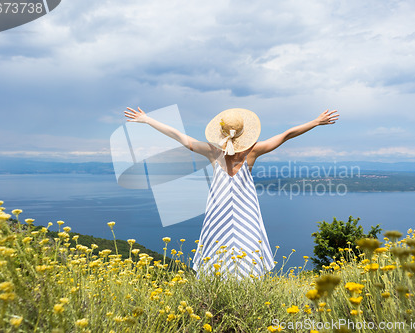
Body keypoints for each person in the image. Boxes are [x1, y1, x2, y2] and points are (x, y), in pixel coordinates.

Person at [124, 107, 339, 278]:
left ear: (221, 133)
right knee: (248, 249)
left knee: (216, 248)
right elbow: (287, 135)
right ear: (245, 133)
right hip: (247, 213)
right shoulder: (252, 151)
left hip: (218, 212)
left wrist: (148, 120)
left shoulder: (212, 151)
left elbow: (180, 136)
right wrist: (316, 122)